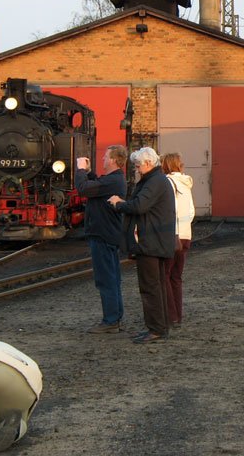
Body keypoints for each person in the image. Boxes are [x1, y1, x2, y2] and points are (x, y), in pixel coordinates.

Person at [108, 147, 175, 344]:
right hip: (155, 241)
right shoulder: (157, 180)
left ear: (147, 164)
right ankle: (160, 327)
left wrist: (119, 203)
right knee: (158, 286)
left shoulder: (154, 182)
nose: (136, 169)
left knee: (150, 287)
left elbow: (139, 205)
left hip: (150, 242)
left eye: (137, 165)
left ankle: (156, 330)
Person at [75, 145, 128, 334]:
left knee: (106, 279)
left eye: (106, 157)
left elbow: (83, 189)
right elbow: (94, 187)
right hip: (107, 233)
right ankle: (115, 317)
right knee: (112, 278)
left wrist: (80, 170)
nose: (103, 159)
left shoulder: (113, 180)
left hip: (103, 235)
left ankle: (111, 320)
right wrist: (89, 173)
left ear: (113, 160)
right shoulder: (113, 180)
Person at [161, 152, 196, 328]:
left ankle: (170, 316)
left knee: (165, 275)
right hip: (185, 235)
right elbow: (191, 211)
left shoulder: (166, 183)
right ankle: (178, 316)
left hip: (171, 236)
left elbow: (170, 210)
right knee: (176, 277)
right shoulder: (186, 183)